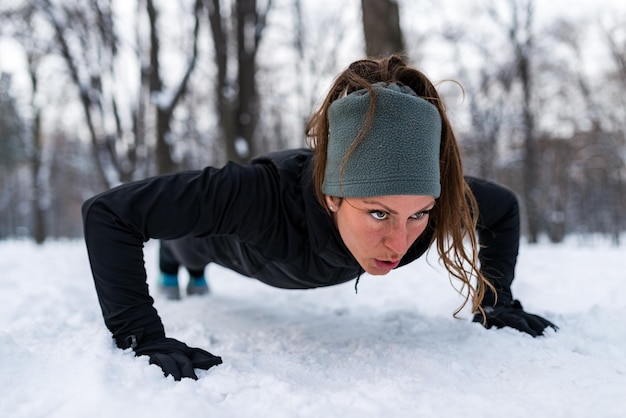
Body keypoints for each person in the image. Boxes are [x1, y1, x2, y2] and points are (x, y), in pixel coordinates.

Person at [82, 55, 557, 381]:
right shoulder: (258, 194)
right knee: (190, 247)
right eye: (378, 212)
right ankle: (177, 259)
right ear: (332, 195)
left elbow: (504, 209)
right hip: (232, 246)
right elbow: (109, 214)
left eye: (419, 215)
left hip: (306, 262)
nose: (400, 240)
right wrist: (139, 336)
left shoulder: (434, 204)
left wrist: (496, 302)